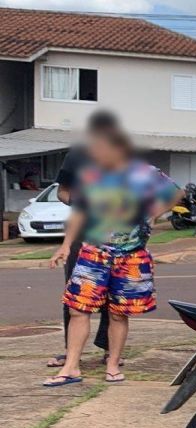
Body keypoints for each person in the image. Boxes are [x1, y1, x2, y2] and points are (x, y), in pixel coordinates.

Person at [43, 124, 183, 387]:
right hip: (93, 251)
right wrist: (65, 245)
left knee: (119, 313)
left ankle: (112, 364)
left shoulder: (147, 173)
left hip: (131, 254)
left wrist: (155, 214)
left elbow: (177, 192)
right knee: (78, 309)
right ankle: (71, 367)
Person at [47, 111, 124, 369]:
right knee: (75, 294)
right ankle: (71, 352)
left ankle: (110, 350)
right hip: (82, 236)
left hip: (117, 237)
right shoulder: (76, 157)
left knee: (113, 296)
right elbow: (62, 192)